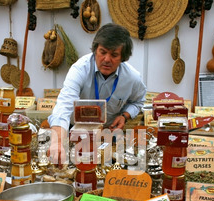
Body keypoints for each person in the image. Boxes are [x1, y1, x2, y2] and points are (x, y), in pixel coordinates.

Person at [47, 23, 147, 166]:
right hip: (76, 134)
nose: (107, 59)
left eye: (114, 55)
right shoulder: (79, 70)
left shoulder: (132, 78)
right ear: (95, 50)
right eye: (102, 52)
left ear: (122, 57)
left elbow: (138, 102)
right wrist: (57, 143)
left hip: (107, 135)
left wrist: (125, 115)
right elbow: (63, 107)